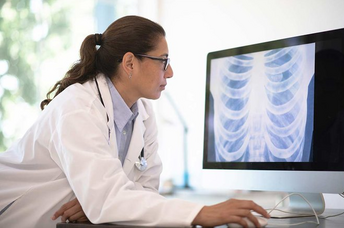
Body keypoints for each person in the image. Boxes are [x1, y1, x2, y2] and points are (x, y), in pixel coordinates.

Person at [0, 15, 270, 228]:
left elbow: (143, 192)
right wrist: (199, 212)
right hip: (17, 216)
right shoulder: (78, 107)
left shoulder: (142, 113)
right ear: (130, 63)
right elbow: (109, 198)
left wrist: (100, 201)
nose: (171, 72)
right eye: (163, 61)